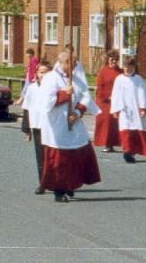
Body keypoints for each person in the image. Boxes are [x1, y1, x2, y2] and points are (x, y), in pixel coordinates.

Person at [36, 50, 100, 203]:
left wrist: (77, 112)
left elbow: (86, 97)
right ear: (64, 62)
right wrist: (64, 94)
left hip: (74, 123)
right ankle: (58, 191)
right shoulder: (50, 79)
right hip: (57, 126)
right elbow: (45, 104)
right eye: (73, 62)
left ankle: (70, 184)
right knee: (60, 161)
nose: (76, 65)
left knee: (78, 154)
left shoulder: (76, 79)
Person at [110, 57, 146, 163]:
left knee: (136, 131)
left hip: (135, 109)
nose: (127, 69)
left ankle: (133, 151)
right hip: (124, 109)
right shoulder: (119, 79)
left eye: (130, 67)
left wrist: (143, 108)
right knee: (126, 131)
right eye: (125, 67)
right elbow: (116, 94)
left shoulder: (138, 79)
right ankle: (127, 151)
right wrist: (116, 110)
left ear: (134, 67)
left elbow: (142, 93)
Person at [21, 60, 51, 194]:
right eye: (41, 72)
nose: (44, 75)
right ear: (37, 74)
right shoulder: (32, 88)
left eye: (47, 72)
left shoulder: (53, 88)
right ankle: (43, 183)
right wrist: (27, 129)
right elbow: (26, 108)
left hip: (51, 127)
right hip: (37, 125)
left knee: (52, 156)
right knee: (41, 156)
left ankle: (56, 182)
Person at [93, 50, 122, 153]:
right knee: (106, 123)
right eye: (112, 59)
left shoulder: (120, 71)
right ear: (108, 60)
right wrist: (107, 97)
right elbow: (99, 87)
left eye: (116, 60)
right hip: (104, 101)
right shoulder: (103, 71)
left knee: (115, 124)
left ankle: (112, 144)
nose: (114, 62)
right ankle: (106, 143)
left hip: (116, 100)